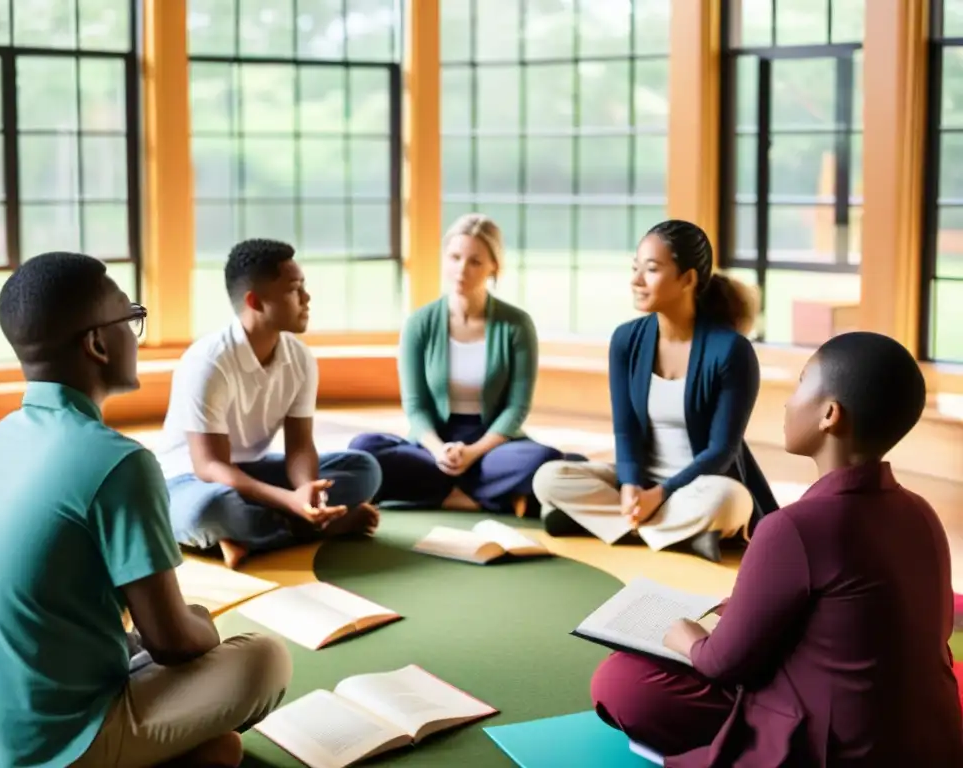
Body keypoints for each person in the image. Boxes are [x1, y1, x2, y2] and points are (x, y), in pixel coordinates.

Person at [0, 252, 292, 768]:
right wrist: (202, 623)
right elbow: (171, 641)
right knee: (264, 660)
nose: (136, 332)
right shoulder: (119, 463)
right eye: (132, 318)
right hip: (44, 747)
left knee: (218, 744)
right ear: (98, 343)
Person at [591, 331, 963, 766]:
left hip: (834, 747)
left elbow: (721, 664)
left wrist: (687, 637)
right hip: (931, 739)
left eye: (801, 383)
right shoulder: (921, 513)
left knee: (622, 679)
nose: (788, 402)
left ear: (829, 414)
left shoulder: (792, 527)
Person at [532, 220, 777, 561]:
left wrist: (662, 493)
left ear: (688, 279)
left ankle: (619, 525)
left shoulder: (731, 350)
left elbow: (722, 450)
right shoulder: (626, 340)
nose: (636, 280)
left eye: (651, 269)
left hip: (699, 486)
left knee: (730, 500)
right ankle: (680, 535)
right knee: (548, 478)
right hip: (642, 484)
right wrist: (632, 486)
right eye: (635, 268)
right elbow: (626, 428)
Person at [157, 238, 383, 569]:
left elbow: (300, 446)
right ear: (255, 302)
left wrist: (307, 491)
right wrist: (288, 501)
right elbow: (211, 467)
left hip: (251, 472)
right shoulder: (209, 361)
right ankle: (313, 527)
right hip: (190, 480)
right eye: (295, 290)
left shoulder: (300, 358)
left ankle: (245, 536)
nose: (307, 299)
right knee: (208, 511)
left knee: (365, 468)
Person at [349, 213, 581, 516]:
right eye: (455, 257)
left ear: (494, 266)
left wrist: (472, 453)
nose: (462, 270)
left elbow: (516, 409)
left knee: (545, 460)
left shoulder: (517, 325)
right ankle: (484, 497)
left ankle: (441, 494)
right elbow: (415, 406)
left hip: (492, 445)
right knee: (364, 448)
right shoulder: (419, 323)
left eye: (475, 261)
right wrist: (438, 450)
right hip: (432, 446)